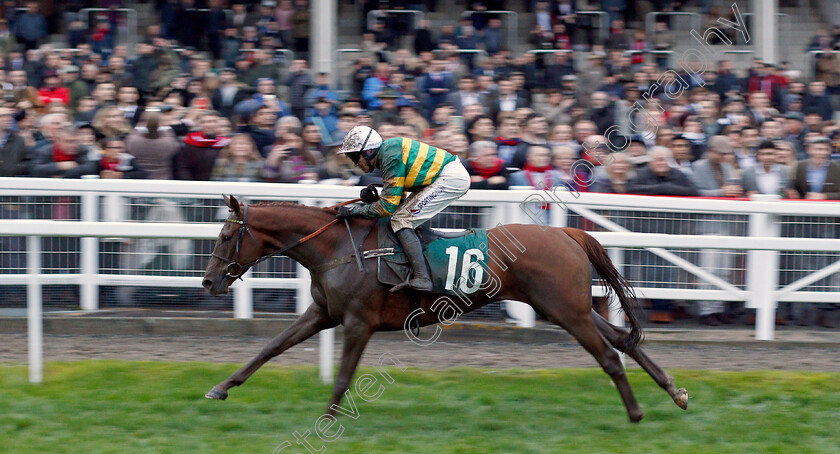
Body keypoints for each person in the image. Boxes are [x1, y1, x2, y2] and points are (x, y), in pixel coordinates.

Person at [335, 125, 471, 292]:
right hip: (444, 176)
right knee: (402, 216)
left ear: (368, 152)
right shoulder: (388, 152)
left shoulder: (390, 156)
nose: (356, 164)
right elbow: (396, 201)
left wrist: (352, 212)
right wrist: (374, 200)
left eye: (356, 158)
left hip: (450, 178)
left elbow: (387, 208)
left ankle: (422, 277)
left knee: (401, 220)